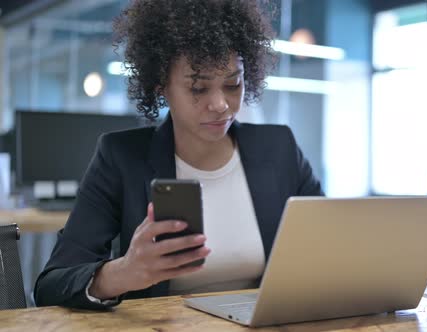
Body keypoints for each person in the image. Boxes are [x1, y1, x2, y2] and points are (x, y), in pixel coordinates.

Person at [34, 0, 322, 310]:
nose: (220, 104)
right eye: (198, 88)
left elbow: (334, 244)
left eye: (232, 84)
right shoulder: (121, 158)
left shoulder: (279, 148)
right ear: (161, 86)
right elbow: (51, 285)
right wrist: (123, 273)